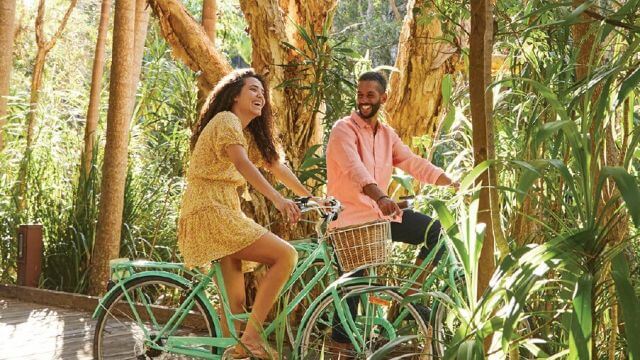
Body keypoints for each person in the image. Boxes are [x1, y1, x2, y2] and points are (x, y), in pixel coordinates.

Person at [178, 68, 313, 359]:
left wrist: (310, 197)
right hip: (210, 210)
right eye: (253, 89)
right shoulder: (226, 120)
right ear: (234, 95)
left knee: (234, 306)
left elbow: (275, 166)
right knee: (285, 256)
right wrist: (278, 199)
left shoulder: (242, 132)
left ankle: (233, 349)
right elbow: (242, 165)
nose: (260, 96)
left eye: (262, 92)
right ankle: (250, 339)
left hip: (221, 210)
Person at [325, 71, 459, 350]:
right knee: (351, 291)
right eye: (360, 95)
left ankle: (407, 298)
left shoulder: (387, 135)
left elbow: (412, 162)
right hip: (351, 221)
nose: (363, 100)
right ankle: (340, 353)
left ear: (383, 98)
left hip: (379, 217)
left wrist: (451, 182)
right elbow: (354, 169)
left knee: (435, 232)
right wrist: (381, 196)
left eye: (370, 95)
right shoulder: (343, 129)